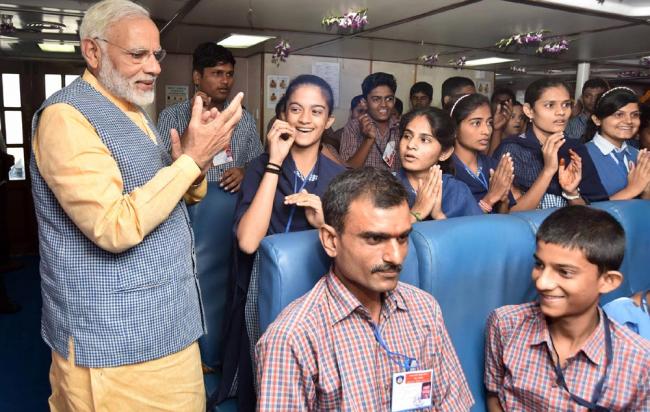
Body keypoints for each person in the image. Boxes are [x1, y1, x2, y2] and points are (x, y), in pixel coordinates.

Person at [30, 0, 243, 409]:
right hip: (114, 344)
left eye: (156, 55)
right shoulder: (66, 117)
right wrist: (191, 160)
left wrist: (193, 168)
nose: (154, 67)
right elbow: (113, 226)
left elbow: (172, 197)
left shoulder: (133, 109)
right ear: (93, 52)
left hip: (169, 325)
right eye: (137, 54)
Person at [256, 167, 474, 411]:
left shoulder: (424, 309)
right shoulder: (293, 339)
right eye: (375, 239)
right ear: (331, 241)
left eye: (402, 238)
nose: (395, 257)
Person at [217, 74, 345, 411]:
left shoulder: (339, 178)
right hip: (263, 285)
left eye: (317, 111)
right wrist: (274, 162)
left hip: (320, 289)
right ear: (283, 115)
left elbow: (349, 253)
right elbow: (248, 242)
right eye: (296, 109)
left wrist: (323, 223)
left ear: (329, 121)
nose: (305, 119)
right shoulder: (260, 167)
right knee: (271, 382)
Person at [485, 206, 650, 411]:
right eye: (539, 265)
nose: (542, 283)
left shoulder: (640, 363)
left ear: (608, 281)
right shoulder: (505, 324)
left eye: (564, 272)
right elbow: (494, 396)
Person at [157, 42, 262, 193]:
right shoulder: (171, 116)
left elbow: (258, 163)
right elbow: (163, 168)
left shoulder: (244, 119)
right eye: (217, 73)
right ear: (197, 77)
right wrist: (194, 117)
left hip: (232, 201)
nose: (225, 81)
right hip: (187, 199)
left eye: (229, 74)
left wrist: (245, 172)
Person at [493, 78, 584, 209]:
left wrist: (571, 193)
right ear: (529, 110)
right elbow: (511, 214)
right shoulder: (512, 150)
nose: (561, 112)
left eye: (566, 104)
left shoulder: (576, 148)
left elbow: (589, 214)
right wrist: (548, 171)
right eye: (550, 105)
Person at [396, 107, 482, 220]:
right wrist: (417, 212)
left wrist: (438, 215)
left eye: (424, 140)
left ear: (444, 153)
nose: (411, 145)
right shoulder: (383, 187)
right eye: (407, 136)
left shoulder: (456, 190)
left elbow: (477, 230)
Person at [576, 87, 650, 202]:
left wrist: (646, 192)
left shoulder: (639, 155)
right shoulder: (580, 156)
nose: (629, 121)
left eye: (635, 115)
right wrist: (632, 189)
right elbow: (583, 210)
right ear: (597, 120)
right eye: (619, 114)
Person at [449, 94, 515, 214]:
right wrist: (490, 199)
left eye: (489, 123)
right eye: (476, 123)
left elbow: (504, 217)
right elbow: (455, 223)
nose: (486, 131)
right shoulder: (445, 170)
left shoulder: (493, 165)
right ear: (454, 129)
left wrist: (504, 200)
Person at [340, 72, 401, 171]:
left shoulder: (401, 127)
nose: (383, 105)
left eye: (389, 99)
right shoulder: (353, 127)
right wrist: (368, 140)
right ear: (365, 102)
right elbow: (346, 170)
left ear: (394, 101)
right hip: (362, 182)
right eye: (376, 99)